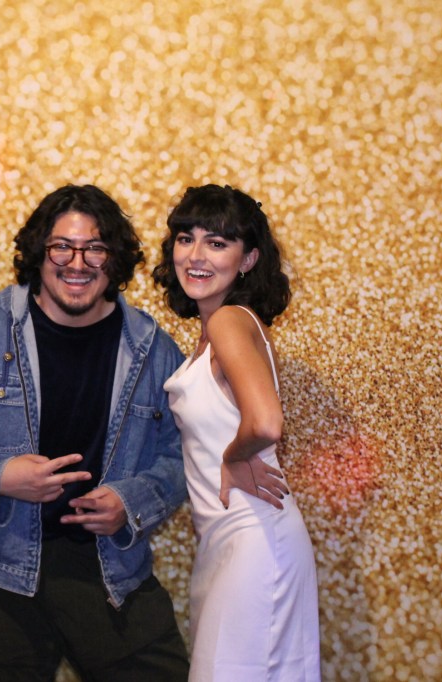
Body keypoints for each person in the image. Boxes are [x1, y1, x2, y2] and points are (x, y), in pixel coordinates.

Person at [0, 184, 190, 681]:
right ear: (38, 253)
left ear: (115, 258)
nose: (78, 263)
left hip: (107, 568)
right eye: (61, 247)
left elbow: (183, 453)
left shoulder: (153, 349)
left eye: (95, 248)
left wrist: (131, 502)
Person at [154, 184, 320, 681]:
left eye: (217, 243)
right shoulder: (218, 330)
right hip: (229, 540)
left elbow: (266, 422)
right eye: (186, 239)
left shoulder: (229, 321)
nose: (196, 256)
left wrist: (233, 456)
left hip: (256, 540)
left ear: (248, 259)